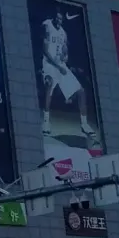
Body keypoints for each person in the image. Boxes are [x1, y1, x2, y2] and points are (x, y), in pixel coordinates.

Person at [39, 10, 101, 152]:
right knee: (49, 85)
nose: (59, 21)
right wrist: (58, 66)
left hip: (61, 65)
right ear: (53, 17)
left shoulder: (63, 33)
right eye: (57, 18)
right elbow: (45, 51)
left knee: (81, 92)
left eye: (61, 19)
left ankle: (84, 124)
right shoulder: (47, 25)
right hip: (49, 65)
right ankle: (46, 122)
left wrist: (65, 56)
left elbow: (65, 50)